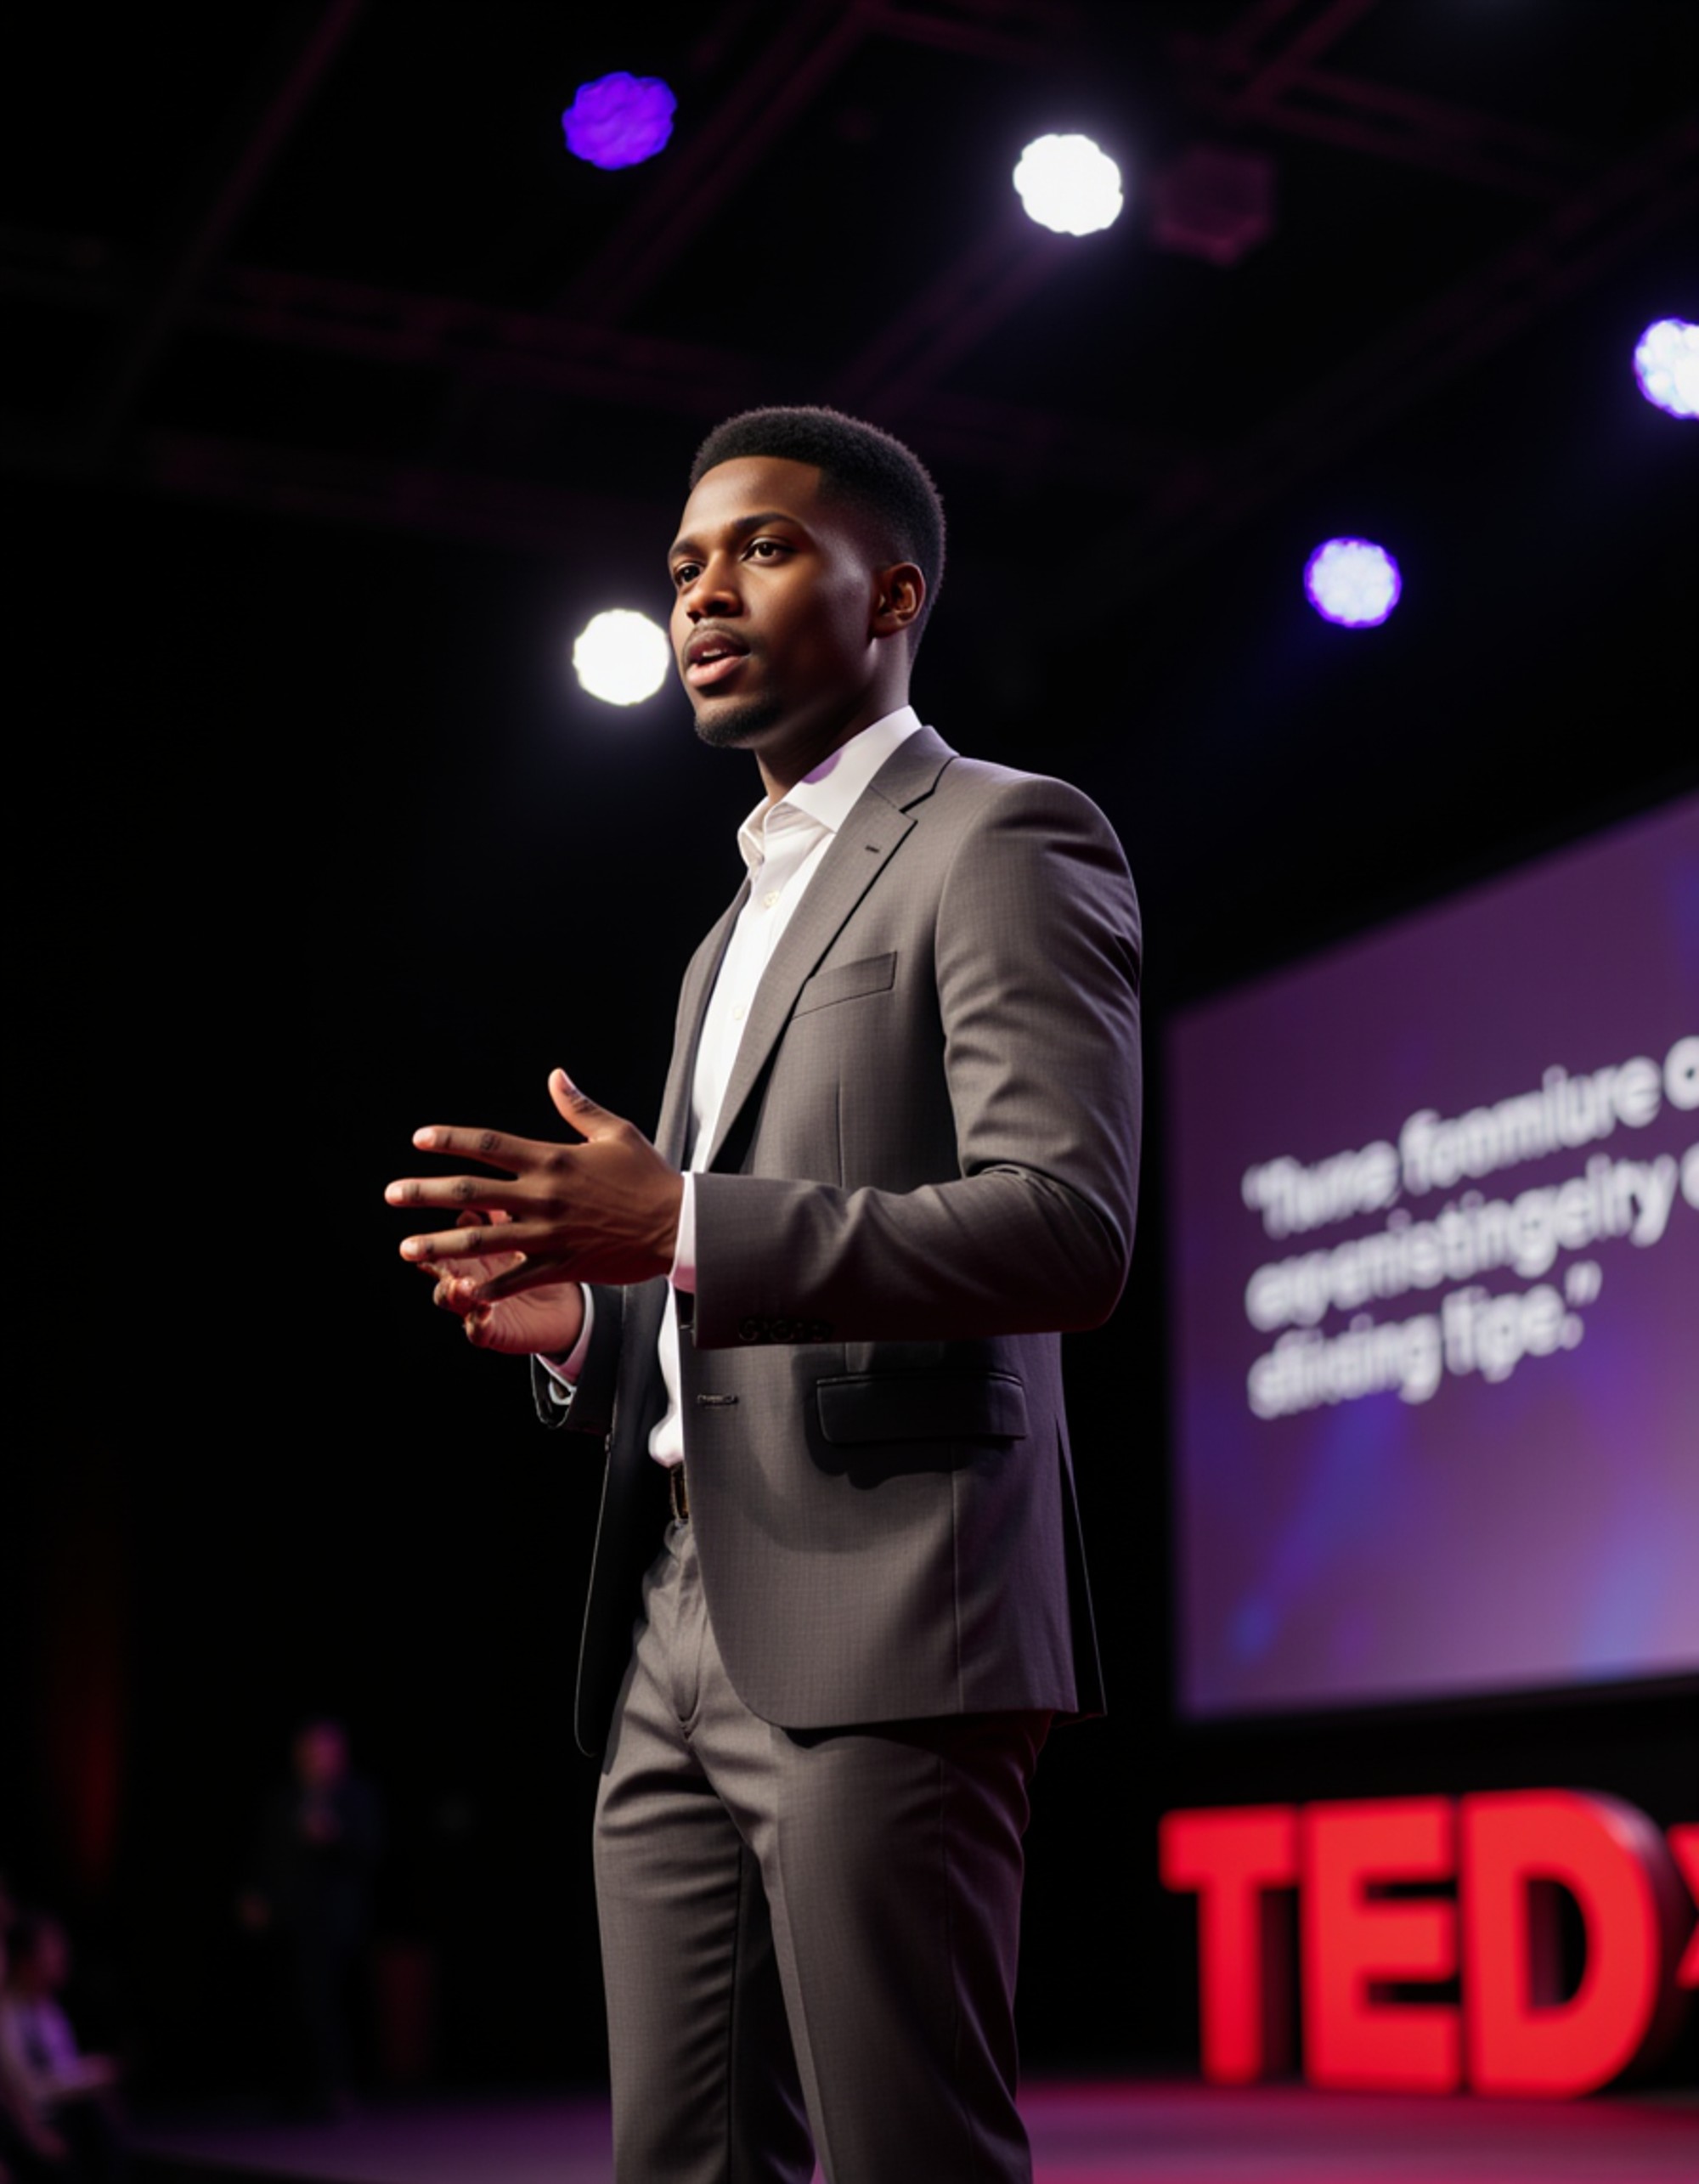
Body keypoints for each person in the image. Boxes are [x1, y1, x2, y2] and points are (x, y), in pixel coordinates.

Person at [387, 406, 1142, 2183]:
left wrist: (682, 1220)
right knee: (679, 2159)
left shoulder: (1006, 837)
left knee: (909, 2157)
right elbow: (713, 1267)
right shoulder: (723, 935)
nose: (702, 593)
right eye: (679, 568)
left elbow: (1065, 1228)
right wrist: (586, 1319)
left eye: (760, 548)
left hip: (892, 1610)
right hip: (668, 1610)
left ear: (893, 593)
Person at [239, 1719, 382, 2117]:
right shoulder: (285, 1801)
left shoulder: (356, 1798)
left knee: (321, 2004)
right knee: (288, 2003)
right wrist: (256, 1895)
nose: (315, 1761)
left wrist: (334, 1836)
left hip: (332, 1921)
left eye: (323, 1752)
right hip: (287, 1918)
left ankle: (333, 2089)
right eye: (308, 1752)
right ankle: (292, 2090)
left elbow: (371, 1853)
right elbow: (265, 1854)